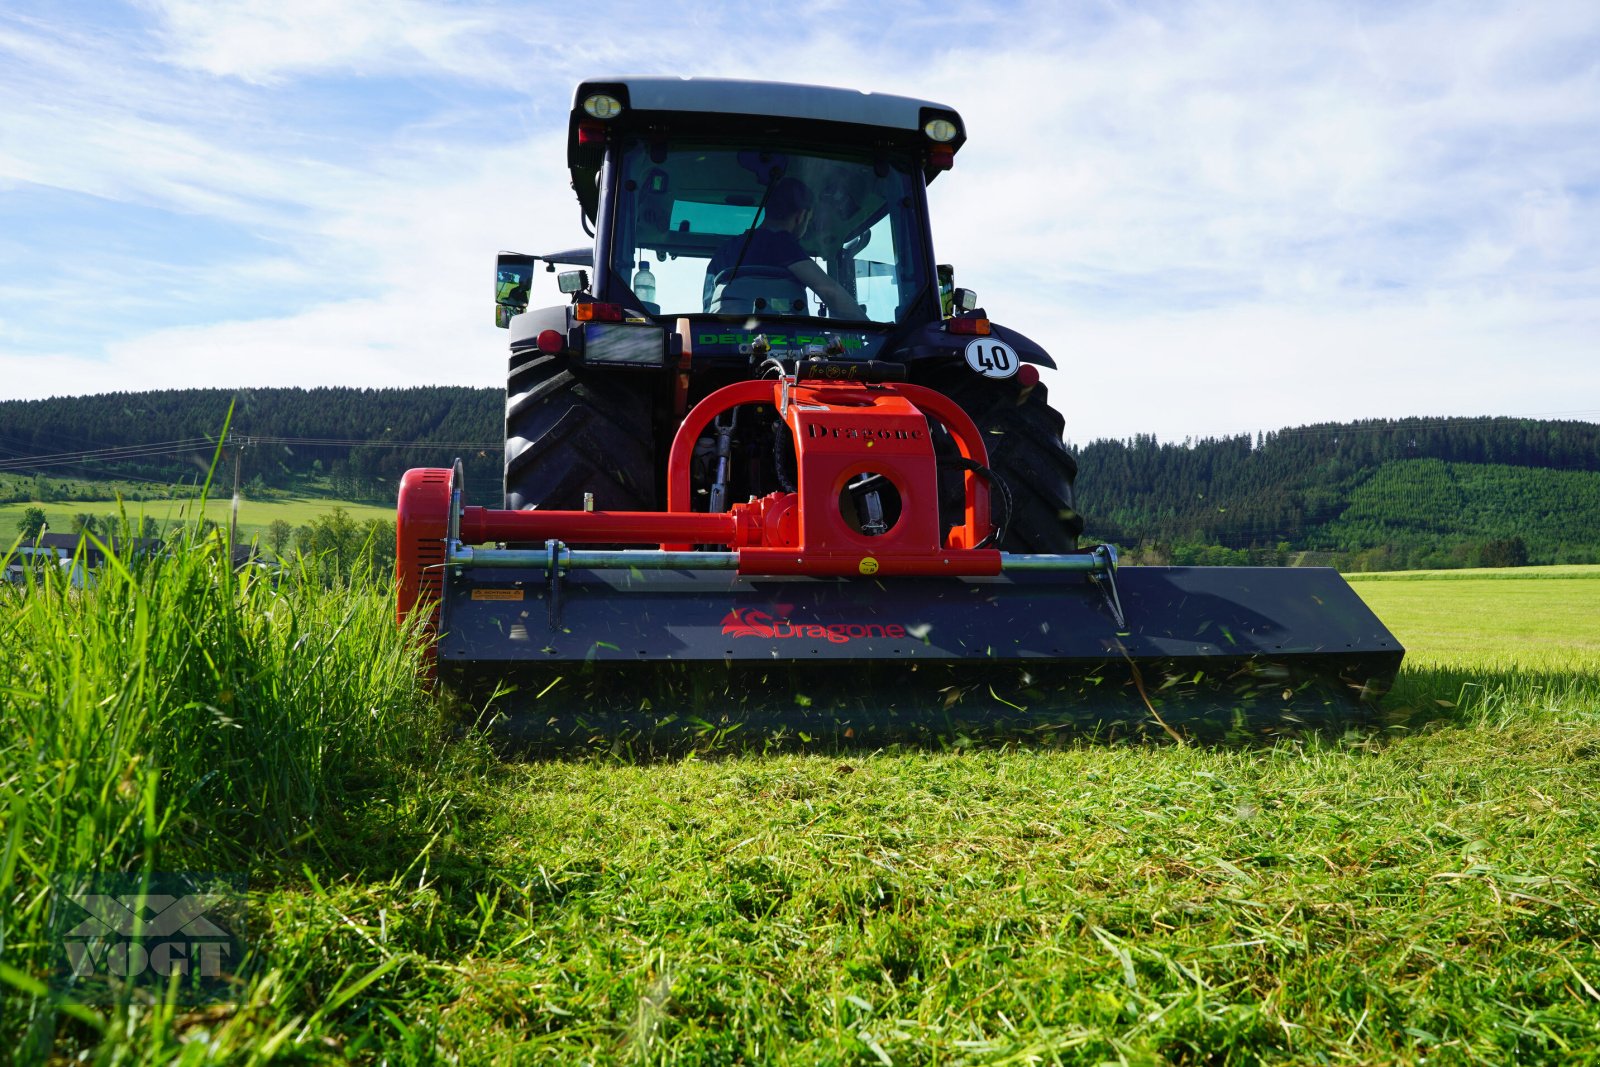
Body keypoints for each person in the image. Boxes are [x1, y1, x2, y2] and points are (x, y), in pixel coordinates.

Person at [707, 177, 866, 319]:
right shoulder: (782, 244)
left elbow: (707, 307)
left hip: (724, 343)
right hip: (779, 346)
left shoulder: (723, 251)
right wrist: (869, 329)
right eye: (808, 220)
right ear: (801, 216)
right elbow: (829, 291)